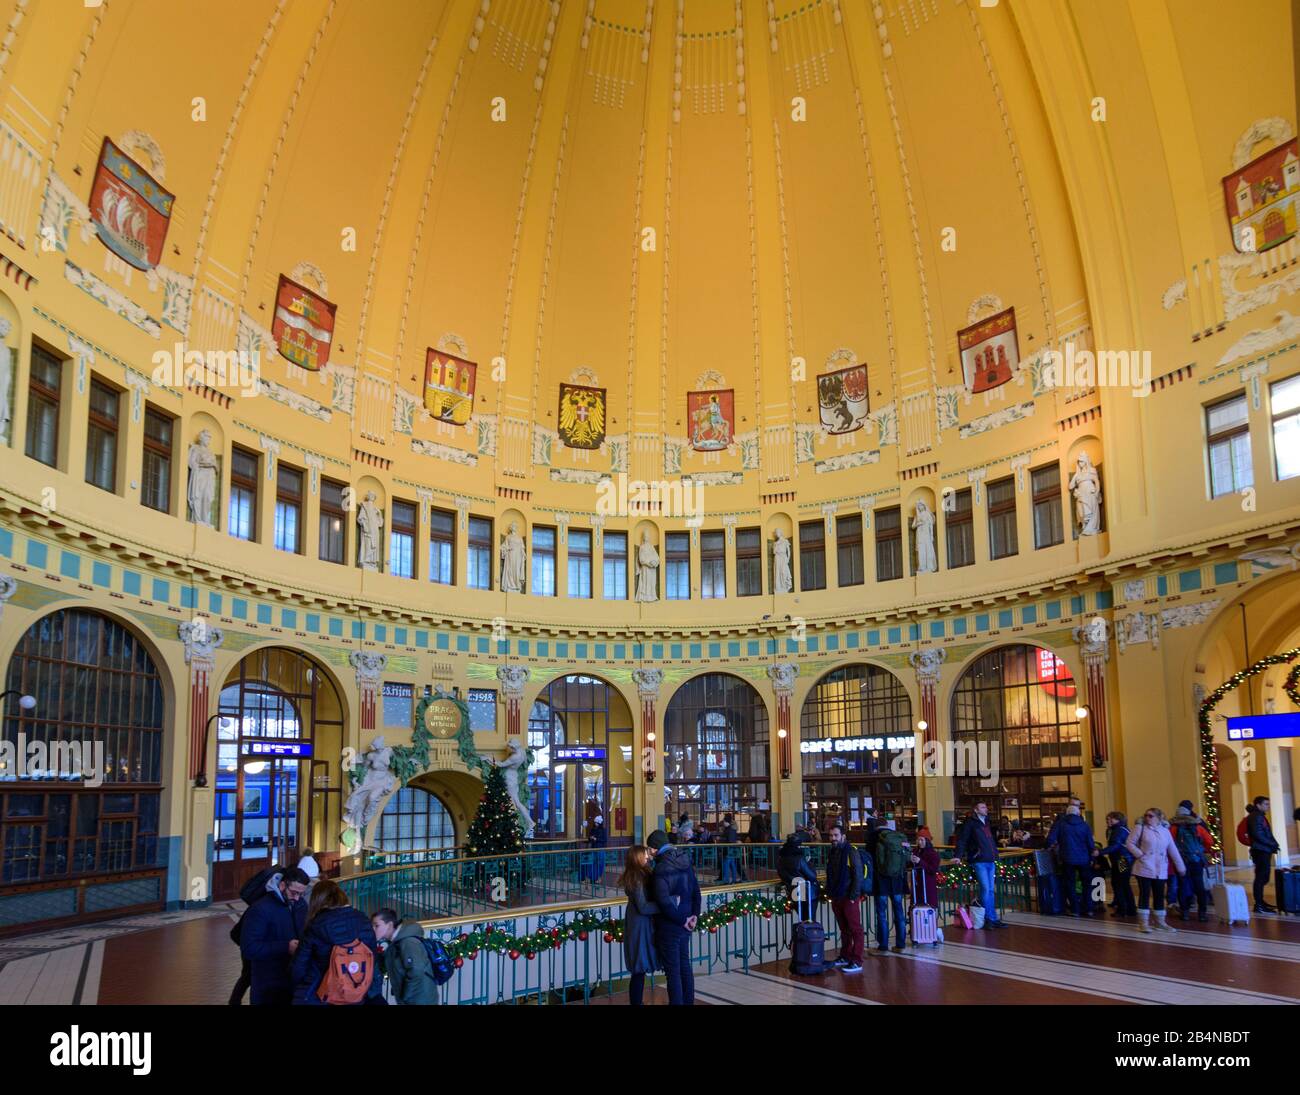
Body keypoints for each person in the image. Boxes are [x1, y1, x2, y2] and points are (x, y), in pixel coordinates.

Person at [291, 880, 384, 1005]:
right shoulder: (364, 921)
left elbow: (298, 969)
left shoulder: (315, 925)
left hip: (321, 995)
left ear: (317, 900)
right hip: (356, 994)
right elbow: (372, 959)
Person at [240, 866, 309, 1005]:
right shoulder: (261, 909)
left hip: (292, 980)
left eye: (301, 894)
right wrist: (286, 947)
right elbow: (249, 948)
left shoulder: (300, 905)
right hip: (268, 984)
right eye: (294, 893)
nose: (297, 898)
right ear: (282, 885)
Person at [647, 830, 701, 1005]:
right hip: (686, 923)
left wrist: (682, 920)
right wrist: (694, 916)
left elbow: (663, 901)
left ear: (655, 848)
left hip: (670, 926)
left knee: (673, 971)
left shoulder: (661, 868)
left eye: (650, 849)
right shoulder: (685, 861)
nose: (649, 853)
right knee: (685, 966)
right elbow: (696, 892)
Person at [1125, 807, 1186, 934]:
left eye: (1151, 816)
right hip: (1144, 866)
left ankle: (1160, 922)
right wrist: (1141, 855)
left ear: (1159, 818)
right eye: (1146, 815)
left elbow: (1172, 849)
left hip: (1160, 868)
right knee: (1144, 894)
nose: (1147, 818)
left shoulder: (1165, 831)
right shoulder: (1140, 828)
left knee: (1159, 895)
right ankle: (1144, 923)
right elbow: (1130, 843)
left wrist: (1180, 866)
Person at [618, 845, 660, 1006]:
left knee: (639, 968)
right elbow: (643, 906)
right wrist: (664, 905)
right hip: (640, 924)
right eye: (645, 855)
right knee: (639, 968)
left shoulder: (637, 874)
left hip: (638, 922)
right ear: (637, 857)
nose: (648, 857)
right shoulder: (637, 877)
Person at [955, 802, 1008, 929]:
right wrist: (958, 855)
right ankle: (989, 919)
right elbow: (962, 840)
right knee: (985, 889)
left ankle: (992, 918)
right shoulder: (971, 823)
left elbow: (990, 840)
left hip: (990, 859)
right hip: (979, 860)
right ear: (976, 810)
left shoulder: (987, 822)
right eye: (983, 807)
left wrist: (995, 853)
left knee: (990, 890)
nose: (986, 809)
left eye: (986, 807)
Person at [371, 908, 439, 1005]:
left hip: (419, 1000)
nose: (373, 929)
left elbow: (416, 971)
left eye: (377, 925)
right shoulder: (395, 942)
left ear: (390, 925)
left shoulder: (407, 942)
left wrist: (406, 995)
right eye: (372, 925)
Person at [824, 824, 864, 973]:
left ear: (843, 836)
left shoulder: (851, 852)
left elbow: (858, 875)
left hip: (848, 896)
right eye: (831, 836)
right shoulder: (833, 852)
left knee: (855, 929)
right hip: (837, 896)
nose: (833, 838)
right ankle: (845, 955)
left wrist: (854, 896)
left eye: (835, 835)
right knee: (844, 929)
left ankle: (857, 959)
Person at [1047, 803, 1096, 917]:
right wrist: (1092, 858)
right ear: (1078, 813)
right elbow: (1090, 844)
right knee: (1087, 884)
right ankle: (1088, 909)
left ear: (1067, 813)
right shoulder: (1085, 825)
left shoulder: (1060, 824)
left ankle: (1075, 909)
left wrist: (1052, 847)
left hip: (1067, 858)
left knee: (1070, 884)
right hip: (1084, 859)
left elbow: (1051, 839)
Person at [1169, 801, 1213, 921]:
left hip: (1180, 861)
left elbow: (1169, 845)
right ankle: (1202, 913)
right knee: (1199, 886)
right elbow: (1210, 842)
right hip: (1196, 860)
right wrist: (1202, 849)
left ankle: (1185, 912)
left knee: (1183, 885)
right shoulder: (1198, 826)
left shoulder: (1172, 827)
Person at [873, 820, 909, 952]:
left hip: (881, 881)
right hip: (898, 880)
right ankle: (901, 944)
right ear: (888, 825)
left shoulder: (874, 837)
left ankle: (883, 945)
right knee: (899, 912)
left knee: (882, 913)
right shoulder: (899, 837)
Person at [1098, 811, 1136, 918]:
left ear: (1119, 820)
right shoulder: (1116, 830)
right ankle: (1130, 908)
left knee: (1120, 884)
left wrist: (1100, 852)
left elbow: (1116, 846)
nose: (1108, 821)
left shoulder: (1119, 831)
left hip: (1122, 860)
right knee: (1122, 884)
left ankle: (1123, 910)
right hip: (1121, 860)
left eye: (1111, 819)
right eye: (1107, 819)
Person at [1247, 796, 1281, 913]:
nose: (1268, 806)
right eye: (1266, 804)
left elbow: (1265, 833)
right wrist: (1272, 844)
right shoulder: (1256, 817)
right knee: (1261, 877)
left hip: (1263, 850)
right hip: (1260, 850)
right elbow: (1258, 834)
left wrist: (1273, 844)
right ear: (1258, 805)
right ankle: (1259, 905)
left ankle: (1260, 902)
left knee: (1263, 877)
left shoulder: (1259, 816)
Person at [777, 831, 821, 922]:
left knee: (802, 919)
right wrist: (810, 863)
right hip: (808, 893)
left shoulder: (781, 860)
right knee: (810, 920)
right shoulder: (800, 859)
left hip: (794, 892)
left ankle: (802, 935)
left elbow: (782, 875)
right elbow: (812, 876)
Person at [911, 832, 941, 907]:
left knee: (927, 906)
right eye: (918, 840)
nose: (919, 842)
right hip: (917, 883)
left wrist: (920, 861)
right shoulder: (916, 851)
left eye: (922, 840)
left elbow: (933, 869)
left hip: (927, 884)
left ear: (927, 841)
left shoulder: (933, 854)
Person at [718, 813, 742, 883]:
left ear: (726, 822)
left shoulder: (728, 830)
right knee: (732, 864)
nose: (723, 824)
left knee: (726, 864)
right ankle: (734, 879)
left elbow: (729, 840)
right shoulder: (732, 829)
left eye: (724, 822)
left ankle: (726, 880)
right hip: (732, 849)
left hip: (728, 849)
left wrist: (721, 839)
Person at [585, 814, 608, 883]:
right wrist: (590, 838)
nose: (595, 824)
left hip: (600, 849)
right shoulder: (593, 829)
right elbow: (589, 838)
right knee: (591, 863)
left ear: (599, 823)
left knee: (600, 864)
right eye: (595, 822)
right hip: (594, 848)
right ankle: (590, 877)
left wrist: (596, 839)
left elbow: (604, 840)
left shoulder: (603, 830)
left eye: (597, 823)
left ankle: (599, 878)